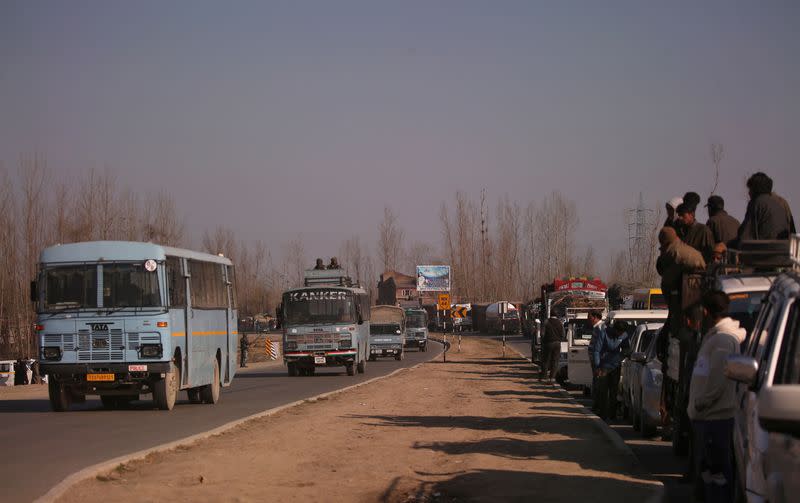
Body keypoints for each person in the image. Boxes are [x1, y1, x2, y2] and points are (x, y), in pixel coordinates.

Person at [688, 291, 744, 503]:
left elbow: (719, 380)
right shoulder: (715, 336)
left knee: (717, 474)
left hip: (715, 417)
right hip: (707, 416)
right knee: (708, 472)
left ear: (705, 311)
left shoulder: (722, 340)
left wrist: (701, 403)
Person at [592, 320, 630, 421]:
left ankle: (612, 414)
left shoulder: (624, 335)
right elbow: (596, 350)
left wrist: (621, 357)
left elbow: (627, 349)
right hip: (603, 366)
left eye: (622, 333)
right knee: (603, 391)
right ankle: (603, 413)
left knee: (614, 391)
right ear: (615, 330)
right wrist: (597, 366)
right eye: (619, 332)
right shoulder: (604, 333)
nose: (620, 335)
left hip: (615, 366)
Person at [738, 172, 793, 241]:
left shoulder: (756, 203)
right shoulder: (778, 204)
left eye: (750, 189)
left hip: (765, 248)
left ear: (755, 189)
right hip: (783, 248)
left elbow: (744, 236)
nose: (749, 193)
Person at [587, 310, 605, 412]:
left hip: (597, 361)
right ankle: (596, 404)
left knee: (598, 382)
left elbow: (598, 347)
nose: (588, 320)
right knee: (596, 382)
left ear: (595, 317)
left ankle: (598, 405)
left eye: (589, 317)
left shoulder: (600, 328)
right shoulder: (597, 328)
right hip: (594, 360)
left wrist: (597, 361)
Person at [540, 315, 564, 383]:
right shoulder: (560, 322)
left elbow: (542, 334)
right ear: (556, 315)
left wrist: (544, 340)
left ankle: (544, 377)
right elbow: (563, 334)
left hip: (548, 343)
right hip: (557, 344)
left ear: (550, 315)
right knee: (555, 360)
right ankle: (552, 378)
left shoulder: (546, 322)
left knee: (546, 360)